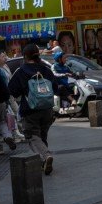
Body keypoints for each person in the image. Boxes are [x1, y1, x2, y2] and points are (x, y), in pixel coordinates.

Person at [8, 44, 62, 175]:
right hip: (47, 109)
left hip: (30, 109)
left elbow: (12, 90)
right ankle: (44, 162)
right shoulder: (45, 69)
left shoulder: (21, 71)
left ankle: (46, 156)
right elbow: (55, 87)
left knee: (32, 136)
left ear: (25, 56)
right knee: (42, 136)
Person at [0, 56, 14, 153]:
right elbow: (4, 87)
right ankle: (8, 136)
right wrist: (6, 99)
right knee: (1, 122)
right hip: (0, 101)